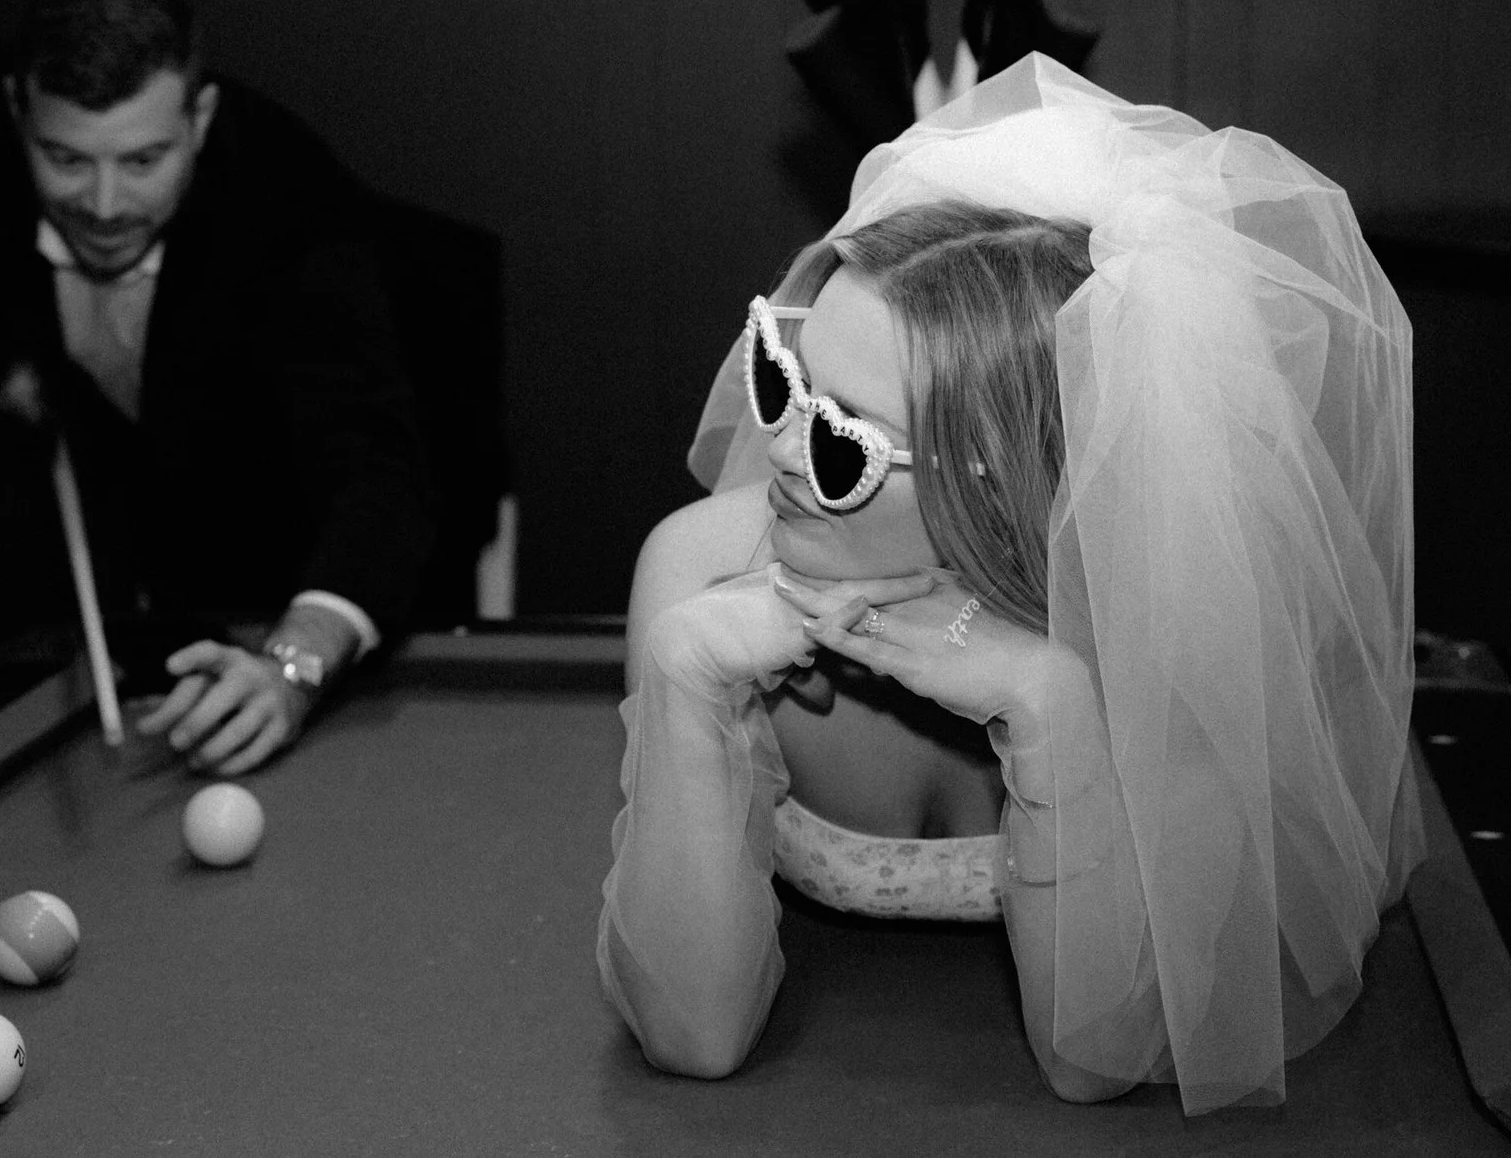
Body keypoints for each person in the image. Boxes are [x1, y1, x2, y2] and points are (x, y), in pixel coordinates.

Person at [598, 55, 1420, 1113]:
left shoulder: (1161, 611)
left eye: (844, 440)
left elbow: (1099, 1056)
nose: (783, 450)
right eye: (779, 372)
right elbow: (693, 1033)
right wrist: (683, 674)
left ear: (992, 476)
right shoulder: (700, 567)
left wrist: (1051, 709)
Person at [0, 0, 437, 775]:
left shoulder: (292, 212)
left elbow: (378, 473)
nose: (101, 203)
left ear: (199, 118)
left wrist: (294, 663)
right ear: (16, 112)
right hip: (101, 584)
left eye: (143, 161)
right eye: (64, 158)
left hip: (279, 555)